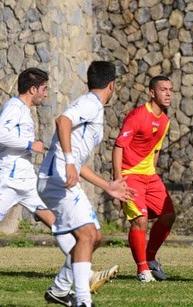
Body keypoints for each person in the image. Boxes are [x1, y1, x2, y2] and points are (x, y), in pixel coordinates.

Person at [0, 68, 117, 306]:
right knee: (84, 233)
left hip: (27, 182)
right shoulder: (14, 107)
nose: (46, 93)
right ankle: (80, 290)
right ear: (33, 89)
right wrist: (30, 144)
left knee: (63, 226)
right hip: (8, 181)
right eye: (43, 88)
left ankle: (66, 285)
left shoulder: (24, 110)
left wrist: (106, 185)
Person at [38, 61, 134, 307]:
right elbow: (62, 121)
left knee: (95, 237)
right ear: (112, 85)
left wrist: (107, 185)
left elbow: (78, 161)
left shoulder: (93, 106)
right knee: (88, 234)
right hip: (57, 178)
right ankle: (83, 301)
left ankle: (60, 289)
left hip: (61, 177)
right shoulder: (90, 103)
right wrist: (69, 162)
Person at [112, 75, 175, 283]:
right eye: (163, 89)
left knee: (168, 216)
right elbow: (118, 147)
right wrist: (118, 181)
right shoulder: (137, 116)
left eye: (170, 90)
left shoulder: (165, 121)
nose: (168, 93)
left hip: (149, 176)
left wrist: (152, 174)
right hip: (130, 175)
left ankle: (150, 257)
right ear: (151, 92)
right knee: (139, 220)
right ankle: (142, 270)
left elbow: (155, 150)